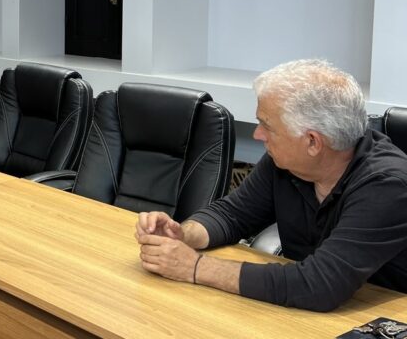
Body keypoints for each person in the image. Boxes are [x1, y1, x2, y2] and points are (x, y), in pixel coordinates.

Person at [135, 59, 407, 312]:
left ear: (312, 142)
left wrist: (195, 267)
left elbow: (320, 284)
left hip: (379, 319)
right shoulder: (285, 164)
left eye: (267, 126)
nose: (257, 134)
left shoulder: (388, 186)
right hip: (300, 312)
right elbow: (233, 214)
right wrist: (183, 235)